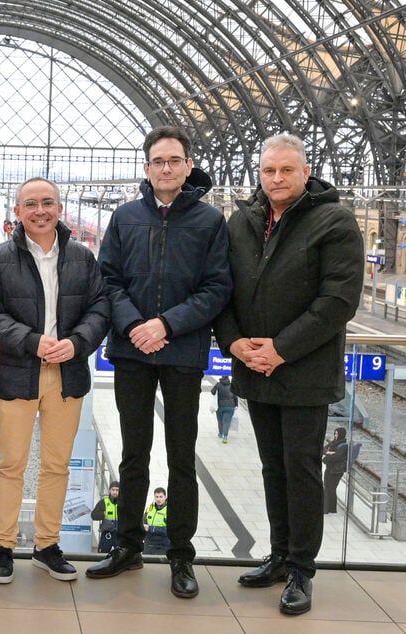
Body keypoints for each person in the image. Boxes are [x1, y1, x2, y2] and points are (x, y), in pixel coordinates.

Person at [214, 133, 363, 616]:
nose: (276, 179)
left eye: (285, 171)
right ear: (259, 173)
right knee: (272, 467)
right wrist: (234, 342)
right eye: (268, 171)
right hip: (254, 366)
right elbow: (224, 288)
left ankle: (302, 569)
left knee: (301, 470)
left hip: (304, 370)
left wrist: (281, 348)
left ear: (305, 172)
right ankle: (278, 555)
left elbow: (338, 300)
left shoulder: (333, 221)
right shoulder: (244, 220)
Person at [86, 126, 232, 600]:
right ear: (146, 168)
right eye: (157, 161)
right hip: (132, 350)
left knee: (181, 456)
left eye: (174, 160)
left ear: (188, 166)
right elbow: (107, 279)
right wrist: (134, 326)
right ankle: (127, 546)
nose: (166, 168)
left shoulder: (210, 222)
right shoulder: (125, 217)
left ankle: (180, 555)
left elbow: (216, 288)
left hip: (183, 352)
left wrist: (164, 326)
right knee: (133, 453)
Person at [0, 177, 110, 585]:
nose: (40, 210)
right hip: (17, 372)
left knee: (56, 465)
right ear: (17, 212)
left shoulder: (83, 258)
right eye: (30, 204)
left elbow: (100, 308)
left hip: (66, 374)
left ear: (60, 208)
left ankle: (47, 545)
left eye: (47, 202)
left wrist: (78, 342)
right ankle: (3, 546)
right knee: (11, 464)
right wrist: (32, 342)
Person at [322, 427, 349, 514]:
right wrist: (328, 453)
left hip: (336, 471)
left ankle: (326, 509)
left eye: (336, 434)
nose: (335, 435)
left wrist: (327, 456)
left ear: (341, 434)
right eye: (335, 433)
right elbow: (324, 449)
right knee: (329, 488)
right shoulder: (334, 443)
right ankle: (331, 509)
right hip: (330, 469)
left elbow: (336, 457)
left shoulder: (343, 446)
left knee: (330, 488)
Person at [90, 481, 119, 553]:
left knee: (121, 558)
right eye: (113, 490)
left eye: (117, 490)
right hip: (107, 535)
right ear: (109, 490)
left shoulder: (123, 503)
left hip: (119, 536)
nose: (115, 492)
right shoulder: (104, 502)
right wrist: (103, 514)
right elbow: (93, 515)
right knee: (101, 557)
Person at [142, 487, 169, 555]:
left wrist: (152, 528)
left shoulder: (169, 510)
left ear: (165, 497)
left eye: (161, 496)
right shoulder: (150, 508)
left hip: (162, 544)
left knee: (159, 564)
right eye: (156, 497)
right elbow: (144, 521)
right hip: (149, 543)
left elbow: (170, 530)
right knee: (146, 563)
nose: (158, 499)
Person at [211, 376, 238, 443]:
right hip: (230, 406)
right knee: (227, 422)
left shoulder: (218, 384)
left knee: (220, 420)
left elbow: (212, 392)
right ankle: (225, 437)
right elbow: (235, 396)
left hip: (220, 405)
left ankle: (220, 433)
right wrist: (236, 405)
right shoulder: (231, 385)